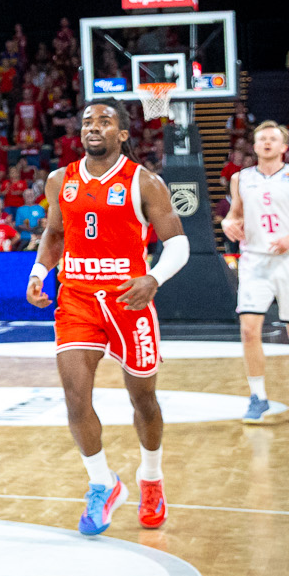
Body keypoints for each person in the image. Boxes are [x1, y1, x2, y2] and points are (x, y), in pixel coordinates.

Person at [27, 100, 188, 537]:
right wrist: (40, 272)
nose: (94, 127)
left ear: (121, 135)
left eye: (105, 121)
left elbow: (178, 243)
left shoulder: (145, 182)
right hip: (76, 299)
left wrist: (153, 278)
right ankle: (103, 483)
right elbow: (55, 233)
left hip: (127, 301)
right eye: (87, 122)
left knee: (143, 400)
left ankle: (151, 478)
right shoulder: (61, 179)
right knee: (75, 397)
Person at [223, 121, 289, 424]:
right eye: (261, 138)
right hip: (255, 261)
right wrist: (228, 223)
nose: (266, 142)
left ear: (283, 147)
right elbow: (234, 214)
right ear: (254, 146)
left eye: (272, 138)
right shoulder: (240, 178)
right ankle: (258, 397)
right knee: (249, 330)